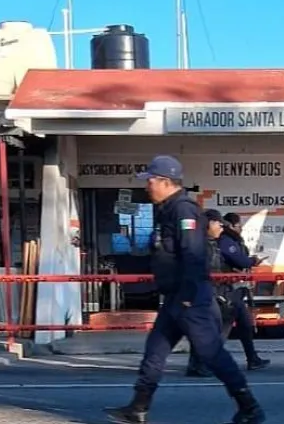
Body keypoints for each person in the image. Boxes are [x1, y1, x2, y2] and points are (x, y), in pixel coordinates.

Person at [104, 156, 265, 424]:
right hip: (175, 298)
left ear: (166, 182)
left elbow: (193, 255)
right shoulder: (167, 209)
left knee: (212, 355)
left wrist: (189, 298)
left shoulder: (184, 211)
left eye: (151, 181)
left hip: (191, 299)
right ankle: (138, 407)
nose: (148, 186)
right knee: (155, 350)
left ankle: (249, 407)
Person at [186, 210, 269, 377]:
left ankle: (203, 363)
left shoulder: (212, 243)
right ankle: (203, 363)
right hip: (210, 292)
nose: (221, 227)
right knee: (213, 329)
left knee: (230, 325)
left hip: (220, 291)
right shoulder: (208, 244)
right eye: (218, 223)